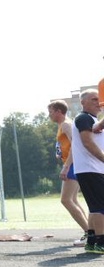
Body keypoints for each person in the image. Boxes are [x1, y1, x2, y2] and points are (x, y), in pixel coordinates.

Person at [47, 100, 90, 242]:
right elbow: (66, 144)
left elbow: (76, 145)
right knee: (73, 200)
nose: (49, 115)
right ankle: (90, 231)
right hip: (72, 163)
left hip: (73, 164)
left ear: (59, 111)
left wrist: (66, 166)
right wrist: (60, 153)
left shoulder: (66, 124)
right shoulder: (62, 125)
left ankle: (90, 233)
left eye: (51, 112)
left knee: (65, 200)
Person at [71, 90, 104, 254]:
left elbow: (98, 128)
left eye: (100, 99)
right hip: (91, 168)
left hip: (93, 169)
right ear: (82, 102)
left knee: (95, 206)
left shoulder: (91, 120)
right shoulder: (83, 118)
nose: (98, 102)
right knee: (100, 207)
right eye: (94, 99)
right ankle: (101, 242)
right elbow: (88, 143)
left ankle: (92, 241)